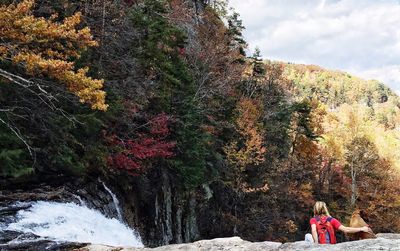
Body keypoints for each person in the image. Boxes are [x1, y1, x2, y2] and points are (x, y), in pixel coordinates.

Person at [309, 201, 373, 244]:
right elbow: (346, 229)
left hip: (319, 246)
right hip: (330, 246)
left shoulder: (313, 220)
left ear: (315, 209)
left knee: (308, 236)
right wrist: (361, 229)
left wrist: (316, 244)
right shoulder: (332, 220)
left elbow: (314, 230)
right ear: (325, 209)